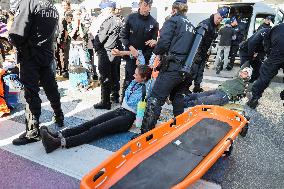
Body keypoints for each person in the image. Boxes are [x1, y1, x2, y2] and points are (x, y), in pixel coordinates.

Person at [40, 65, 152, 153]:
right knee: (89, 124)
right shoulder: (134, 83)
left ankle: (58, 143)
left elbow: (132, 98)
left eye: (136, 75)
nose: (133, 75)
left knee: (95, 130)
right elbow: (139, 59)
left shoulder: (146, 88)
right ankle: (57, 135)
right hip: (120, 110)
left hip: (127, 118)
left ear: (144, 78)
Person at [137, 0, 195, 135]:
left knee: (154, 99)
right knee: (177, 98)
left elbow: (163, 44)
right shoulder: (191, 26)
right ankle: (180, 129)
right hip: (185, 70)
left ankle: (145, 135)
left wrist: (156, 49)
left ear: (174, 10)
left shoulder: (173, 21)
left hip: (171, 68)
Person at [9, 0, 64, 145]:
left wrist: (12, 41)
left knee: (31, 92)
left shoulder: (29, 2)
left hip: (30, 55)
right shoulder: (52, 6)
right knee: (51, 87)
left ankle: (32, 132)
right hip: (46, 53)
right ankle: (59, 116)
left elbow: (17, 33)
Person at [120, 0, 159, 97]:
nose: (148, 8)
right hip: (131, 54)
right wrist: (131, 48)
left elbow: (152, 44)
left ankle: (139, 102)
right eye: (145, 5)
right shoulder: (130, 18)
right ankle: (124, 102)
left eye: (150, 5)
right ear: (140, 5)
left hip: (144, 58)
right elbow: (123, 36)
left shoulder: (154, 23)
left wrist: (141, 58)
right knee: (129, 78)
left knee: (143, 81)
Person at [188, 7, 228, 93]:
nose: (219, 20)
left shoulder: (214, 26)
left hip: (204, 52)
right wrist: (197, 54)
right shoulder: (205, 24)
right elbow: (196, 41)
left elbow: (212, 40)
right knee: (192, 72)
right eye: (219, 18)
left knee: (200, 71)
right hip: (197, 52)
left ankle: (197, 87)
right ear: (216, 14)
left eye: (221, 19)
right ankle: (185, 89)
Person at [93, 1, 123, 110]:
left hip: (106, 52)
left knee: (105, 77)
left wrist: (96, 48)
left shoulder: (108, 21)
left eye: (103, 9)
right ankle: (115, 96)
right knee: (115, 75)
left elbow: (100, 38)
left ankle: (105, 101)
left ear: (108, 9)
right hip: (116, 52)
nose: (101, 12)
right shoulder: (119, 20)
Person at [246, 23, 284, 109]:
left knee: (265, 74)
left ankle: (254, 98)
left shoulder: (275, 28)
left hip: (279, 49)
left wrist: (268, 54)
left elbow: (267, 45)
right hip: (279, 46)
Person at [184, 67, 252, 108]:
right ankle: (179, 100)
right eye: (242, 72)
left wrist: (243, 95)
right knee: (197, 95)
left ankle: (182, 105)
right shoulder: (236, 78)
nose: (242, 73)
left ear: (248, 77)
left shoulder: (246, 84)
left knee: (201, 100)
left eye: (245, 73)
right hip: (218, 90)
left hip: (224, 96)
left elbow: (247, 95)